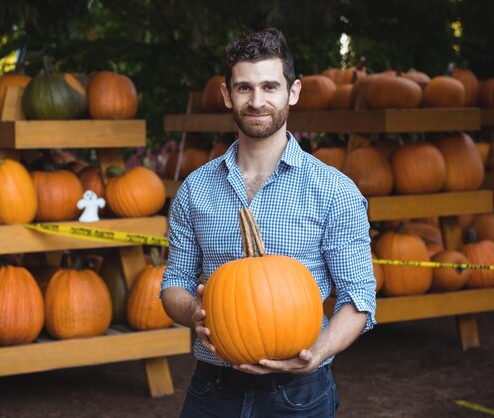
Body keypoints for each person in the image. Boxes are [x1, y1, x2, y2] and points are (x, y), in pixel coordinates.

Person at [161, 27, 376, 417]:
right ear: (227, 95)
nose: (257, 101)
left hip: (299, 393)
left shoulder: (333, 190)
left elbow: (358, 299)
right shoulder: (195, 190)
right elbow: (173, 283)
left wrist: (318, 354)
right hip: (213, 388)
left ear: (292, 92)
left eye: (269, 87)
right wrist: (193, 309)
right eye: (244, 88)